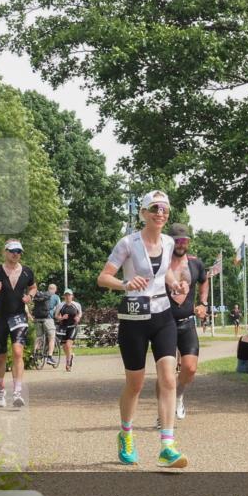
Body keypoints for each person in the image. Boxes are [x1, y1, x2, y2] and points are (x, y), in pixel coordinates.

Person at [97, 190, 189, 468]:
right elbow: (103, 278)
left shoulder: (170, 242)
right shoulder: (128, 243)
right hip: (134, 320)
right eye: (155, 209)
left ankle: (167, 446)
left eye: (164, 210)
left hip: (163, 316)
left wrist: (175, 283)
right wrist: (125, 284)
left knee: (168, 378)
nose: (160, 213)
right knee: (135, 385)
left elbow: (166, 274)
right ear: (144, 213)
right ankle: (125, 433)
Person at [156, 223, 208, 421]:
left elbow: (204, 280)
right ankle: (163, 414)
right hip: (164, 322)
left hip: (187, 321)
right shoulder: (160, 263)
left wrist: (203, 303)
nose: (181, 244)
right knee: (165, 373)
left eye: (184, 241)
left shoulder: (196, 264)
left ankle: (177, 395)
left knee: (190, 368)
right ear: (170, 242)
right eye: (177, 241)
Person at [0, 239, 36, 408]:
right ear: (5, 252)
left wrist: (30, 297)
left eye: (18, 251)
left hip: (18, 315)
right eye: (12, 251)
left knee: (18, 351)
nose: (15, 254)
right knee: (1, 355)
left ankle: (17, 392)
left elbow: (33, 287)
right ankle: (0, 388)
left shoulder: (27, 272)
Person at [55, 289, 82, 371]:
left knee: (68, 344)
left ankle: (68, 363)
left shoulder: (76, 305)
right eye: (66, 295)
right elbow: (56, 315)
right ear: (64, 296)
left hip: (73, 326)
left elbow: (80, 313)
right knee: (64, 346)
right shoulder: (60, 305)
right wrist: (62, 318)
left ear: (72, 296)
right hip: (63, 327)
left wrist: (78, 317)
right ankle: (70, 356)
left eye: (69, 295)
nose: (67, 297)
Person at [30, 286, 57, 367]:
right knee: (52, 337)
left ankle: (34, 353)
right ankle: (50, 357)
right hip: (47, 318)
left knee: (39, 337)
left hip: (37, 318)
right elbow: (58, 308)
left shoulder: (36, 295)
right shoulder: (53, 296)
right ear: (54, 290)